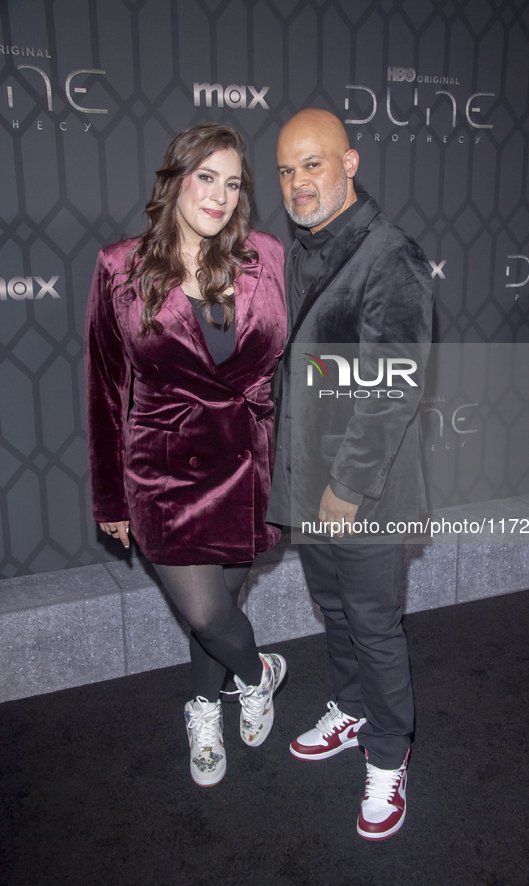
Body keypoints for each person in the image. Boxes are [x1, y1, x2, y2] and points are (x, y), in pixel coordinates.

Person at [85, 124, 287, 788]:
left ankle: (204, 706)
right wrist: (111, 497)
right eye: (206, 177)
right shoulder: (120, 267)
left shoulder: (264, 257)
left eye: (232, 183)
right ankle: (258, 675)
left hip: (245, 466)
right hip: (162, 471)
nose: (220, 195)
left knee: (221, 611)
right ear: (174, 180)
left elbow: (286, 370)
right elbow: (104, 386)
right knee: (205, 613)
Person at [267, 109, 433, 840]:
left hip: (364, 492)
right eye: (285, 169)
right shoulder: (298, 251)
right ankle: (352, 708)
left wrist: (348, 488)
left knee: (372, 624)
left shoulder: (387, 254)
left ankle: (388, 756)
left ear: (350, 162)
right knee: (335, 614)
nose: (298, 181)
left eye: (312, 163)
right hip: (310, 486)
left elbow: (394, 386)